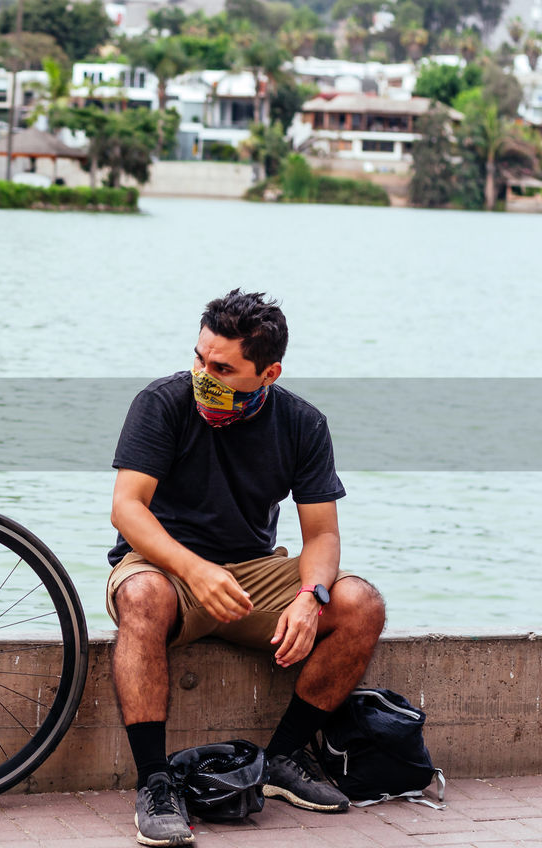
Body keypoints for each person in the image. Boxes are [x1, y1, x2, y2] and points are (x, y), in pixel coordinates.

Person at [108, 289, 386, 846]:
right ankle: (155, 783)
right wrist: (194, 570)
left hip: (254, 576)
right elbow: (127, 508)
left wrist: (313, 596)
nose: (202, 374)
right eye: (198, 358)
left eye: (222, 368)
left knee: (360, 604)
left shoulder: (303, 424)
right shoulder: (162, 402)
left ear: (269, 373)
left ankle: (282, 760)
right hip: (164, 568)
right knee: (142, 596)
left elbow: (323, 534)